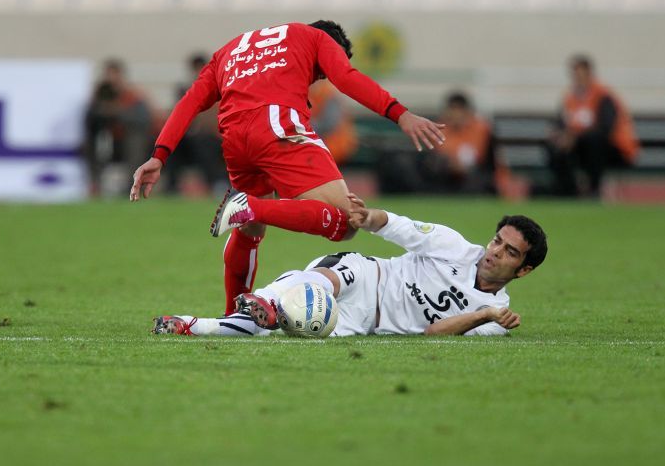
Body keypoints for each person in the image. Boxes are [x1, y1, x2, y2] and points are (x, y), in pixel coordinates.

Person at [130, 21, 445, 316]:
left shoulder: (229, 50)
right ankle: (250, 207)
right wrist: (401, 114)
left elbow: (190, 101)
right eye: (322, 72)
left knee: (250, 231)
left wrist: (159, 155)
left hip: (234, 139)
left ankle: (234, 316)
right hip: (278, 126)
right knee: (347, 220)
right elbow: (347, 77)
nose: (320, 78)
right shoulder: (316, 38)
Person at [151, 194, 548, 337]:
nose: (495, 252)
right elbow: (401, 227)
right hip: (368, 276)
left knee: (275, 331)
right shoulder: (454, 246)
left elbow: (433, 332)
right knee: (321, 280)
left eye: (510, 252)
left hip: (363, 322)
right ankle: (268, 301)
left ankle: (192, 325)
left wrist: (483, 315)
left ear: (523, 270)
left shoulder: (495, 317)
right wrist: (368, 217)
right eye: (497, 240)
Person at [548, 54, 639, 197]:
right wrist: (560, 136)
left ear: (589, 73)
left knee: (594, 141)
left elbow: (606, 129)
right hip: (582, 148)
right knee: (555, 146)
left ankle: (594, 189)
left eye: (581, 74)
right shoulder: (570, 98)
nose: (578, 78)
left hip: (616, 150)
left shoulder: (604, 95)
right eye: (575, 74)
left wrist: (575, 138)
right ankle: (567, 189)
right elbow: (561, 123)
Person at [84, 59, 154, 196]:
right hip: (106, 139)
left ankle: (132, 184)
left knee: (135, 141)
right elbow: (89, 121)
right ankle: (95, 184)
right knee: (90, 143)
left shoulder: (132, 96)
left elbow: (143, 120)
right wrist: (102, 111)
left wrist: (118, 112)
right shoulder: (99, 96)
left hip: (126, 139)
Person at [164, 53, 228, 195]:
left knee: (204, 144)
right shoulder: (187, 90)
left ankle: (215, 182)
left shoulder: (219, 89)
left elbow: (215, 118)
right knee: (174, 145)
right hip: (193, 137)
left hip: (213, 136)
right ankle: (171, 184)